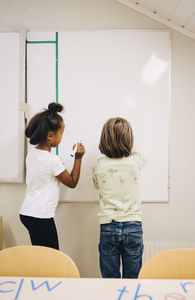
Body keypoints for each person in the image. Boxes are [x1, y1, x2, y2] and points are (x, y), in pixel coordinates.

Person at [20, 102, 85, 250]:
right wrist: (78, 158)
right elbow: (72, 182)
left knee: (41, 255)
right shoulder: (51, 160)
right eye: (61, 134)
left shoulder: (32, 153)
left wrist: (57, 165)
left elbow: (45, 171)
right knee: (52, 256)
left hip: (27, 212)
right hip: (40, 216)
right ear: (50, 135)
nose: (62, 137)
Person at [92, 117, 145, 278]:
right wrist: (125, 144)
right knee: (133, 277)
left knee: (110, 279)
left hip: (108, 227)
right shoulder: (135, 163)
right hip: (133, 226)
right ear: (129, 140)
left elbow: (97, 186)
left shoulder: (98, 165)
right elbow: (138, 154)